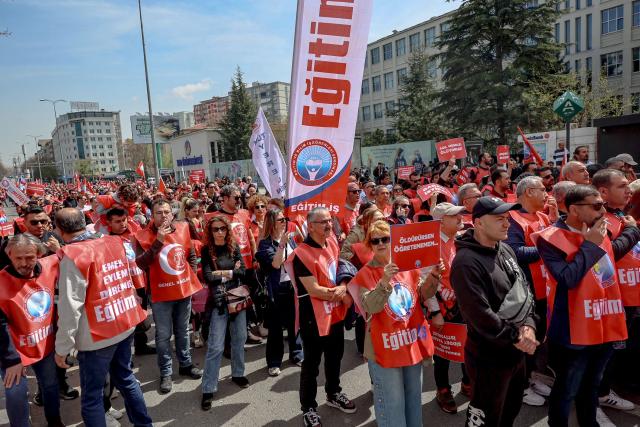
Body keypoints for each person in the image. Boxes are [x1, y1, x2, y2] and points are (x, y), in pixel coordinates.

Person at [533, 185, 640, 427]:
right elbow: (568, 278)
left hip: (604, 324)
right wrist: (590, 245)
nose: (603, 211)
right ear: (573, 209)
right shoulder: (550, 238)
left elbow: (615, 253)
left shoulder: (600, 230)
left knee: (592, 386)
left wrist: (632, 230)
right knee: (568, 388)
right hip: (573, 331)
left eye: (603, 205)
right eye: (596, 206)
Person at [53, 208, 152, 427]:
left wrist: (62, 348)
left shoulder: (72, 255)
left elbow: (70, 307)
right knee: (126, 379)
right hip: (123, 322)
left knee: (92, 398)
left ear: (59, 230)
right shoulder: (113, 242)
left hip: (97, 336)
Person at [451, 197, 538, 426]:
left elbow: (525, 291)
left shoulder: (505, 248)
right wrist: (519, 336)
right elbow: (479, 315)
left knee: (510, 410)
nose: (507, 224)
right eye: (499, 219)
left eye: (508, 218)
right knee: (487, 417)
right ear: (478, 223)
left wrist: (529, 325)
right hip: (488, 358)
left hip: (516, 352)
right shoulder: (465, 262)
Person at [350, 220, 438, 427]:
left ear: (394, 241)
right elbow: (370, 307)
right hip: (384, 348)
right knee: (393, 404)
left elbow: (422, 295)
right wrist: (384, 282)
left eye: (385, 239)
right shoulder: (365, 274)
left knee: (414, 399)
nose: (381, 243)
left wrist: (434, 276)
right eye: (375, 240)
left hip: (410, 344)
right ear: (370, 245)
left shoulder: (408, 266)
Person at [290, 207, 355, 427]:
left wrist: (344, 286)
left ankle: (333, 393)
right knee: (312, 363)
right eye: (323, 222)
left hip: (334, 312)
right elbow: (314, 289)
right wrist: (338, 293)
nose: (329, 225)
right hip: (313, 317)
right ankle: (308, 407)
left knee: (335, 356)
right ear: (310, 226)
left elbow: (340, 269)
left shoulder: (333, 243)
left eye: (330, 220)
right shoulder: (301, 253)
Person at [133, 199, 203, 394]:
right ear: (151, 215)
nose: (164, 216)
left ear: (172, 214)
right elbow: (141, 264)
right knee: (163, 336)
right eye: (159, 213)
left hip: (182, 291)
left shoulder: (183, 228)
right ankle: (166, 372)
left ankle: (186, 364)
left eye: (166, 212)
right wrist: (158, 242)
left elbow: (190, 255)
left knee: (182, 331)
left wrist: (191, 274)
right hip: (161, 295)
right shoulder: (143, 235)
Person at [0, 234, 63, 427]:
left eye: (29, 257)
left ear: (39, 255)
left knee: (51, 386)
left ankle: (54, 421)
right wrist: (12, 360)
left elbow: (69, 257)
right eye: (18, 258)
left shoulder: (49, 264)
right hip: (14, 351)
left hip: (45, 345)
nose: (24, 263)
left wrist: (59, 248)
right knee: (16, 394)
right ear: (9, 255)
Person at [506, 176, 559, 407]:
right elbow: (515, 252)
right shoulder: (513, 219)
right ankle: (521, 386)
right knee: (524, 340)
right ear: (528, 192)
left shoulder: (543, 216)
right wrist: (549, 248)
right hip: (526, 291)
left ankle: (531, 378)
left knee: (538, 338)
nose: (547, 193)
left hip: (545, 289)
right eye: (542, 189)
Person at [592, 169, 640, 417]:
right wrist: (633, 231)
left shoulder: (621, 215)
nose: (628, 188)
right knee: (606, 355)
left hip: (630, 299)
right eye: (622, 185)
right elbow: (605, 254)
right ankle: (597, 399)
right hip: (615, 303)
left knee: (620, 352)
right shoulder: (603, 220)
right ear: (603, 192)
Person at [426, 203, 472, 414]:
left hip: (464, 306)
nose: (460, 218)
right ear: (441, 221)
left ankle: (467, 382)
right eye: (454, 215)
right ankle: (443, 390)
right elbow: (425, 283)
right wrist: (435, 312)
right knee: (443, 352)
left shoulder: (459, 240)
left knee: (468, 346)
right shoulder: (430, 245)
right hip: (444, 310)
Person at [200, 215, 249, 410]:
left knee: (240, 338)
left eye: (223, 228)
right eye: (215, 229)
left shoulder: (234, 247)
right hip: (219, 302)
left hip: (236, 298)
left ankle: (238, 373)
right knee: (216, 346)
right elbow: (208, 276)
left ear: (227, 230)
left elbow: (242, 272)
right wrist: (230, 272)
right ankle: (208, 388)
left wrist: (221, 273)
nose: (220, 232)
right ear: (210, 232)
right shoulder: (206, 250)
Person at [255, 209, 304, 377]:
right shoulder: (264, 244)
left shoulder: (290, 239)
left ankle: (296, 353)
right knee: (275, 328)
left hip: (292, 286)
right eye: (281, 220)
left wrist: (300, 236)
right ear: (272, 223)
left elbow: (300, 256)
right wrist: (282, 243)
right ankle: (274, 361)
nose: (285, 222)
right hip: (276, 290)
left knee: (294, 324)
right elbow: (276, 264)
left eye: (285, 219)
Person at [106, 208, 155, 357]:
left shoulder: (134, 234)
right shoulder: (105, 241)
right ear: (109, 223)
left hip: (141, 281)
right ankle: (124, 356)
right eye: (117, 221)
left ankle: (141, 346)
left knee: (142, 318)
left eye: (124, 220)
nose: (122, 224)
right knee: (127, 321)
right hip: (123, 286)